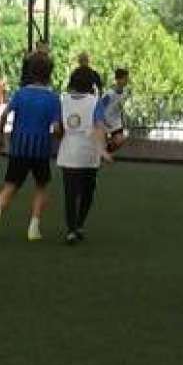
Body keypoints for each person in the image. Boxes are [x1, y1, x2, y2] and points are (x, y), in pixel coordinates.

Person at [0, 53, 63, 243]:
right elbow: (56, 128)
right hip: (40, 149)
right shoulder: (53, 98)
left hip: (19, 146)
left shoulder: (20, 94)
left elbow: (4, 115)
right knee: (41, 187)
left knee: (10, 185)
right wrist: (59, 138)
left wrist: (1, 138)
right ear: (49, 74)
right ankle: (33, 228)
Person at [58, 67, 113, 245]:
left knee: (70, 194)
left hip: (68, 152)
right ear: (91, 84)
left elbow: (58, 127)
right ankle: (79, 224)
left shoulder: (64, 100)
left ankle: (71, 230)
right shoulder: (95, 102)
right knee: (87, 192)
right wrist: (103, 150)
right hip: (89, 153)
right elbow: (99, 126)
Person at [101, 68, 130, 152]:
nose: (126, 81)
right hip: (106, 121)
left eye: (127, 79)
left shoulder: (124, 93)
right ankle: (103, 151)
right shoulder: (109, 93)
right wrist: (103, 120)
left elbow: (120, 107)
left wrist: (123, 120)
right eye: (125, 79)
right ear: (118, 80)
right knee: (103, 143)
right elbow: (100, 107)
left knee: (120, 140)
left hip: (116, 123)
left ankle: (107, 150)